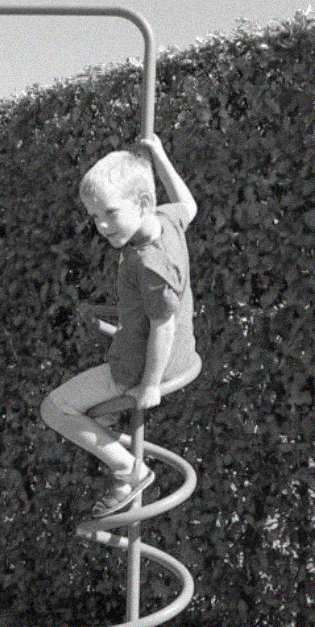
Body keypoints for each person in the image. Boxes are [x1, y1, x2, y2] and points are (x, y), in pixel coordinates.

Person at [40, 133, 197, 519]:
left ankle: (131, 471)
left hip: (142, 365)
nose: (103, 226)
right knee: (91, 410)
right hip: (183, 354)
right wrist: (159, 154)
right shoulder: (168, 220)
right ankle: (106, 419)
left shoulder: (148, 262)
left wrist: (148, 385)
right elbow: (188, 204)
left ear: (143, 203)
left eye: (110, 213)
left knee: (56, 409)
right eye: (95, 217)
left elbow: (164, 325)